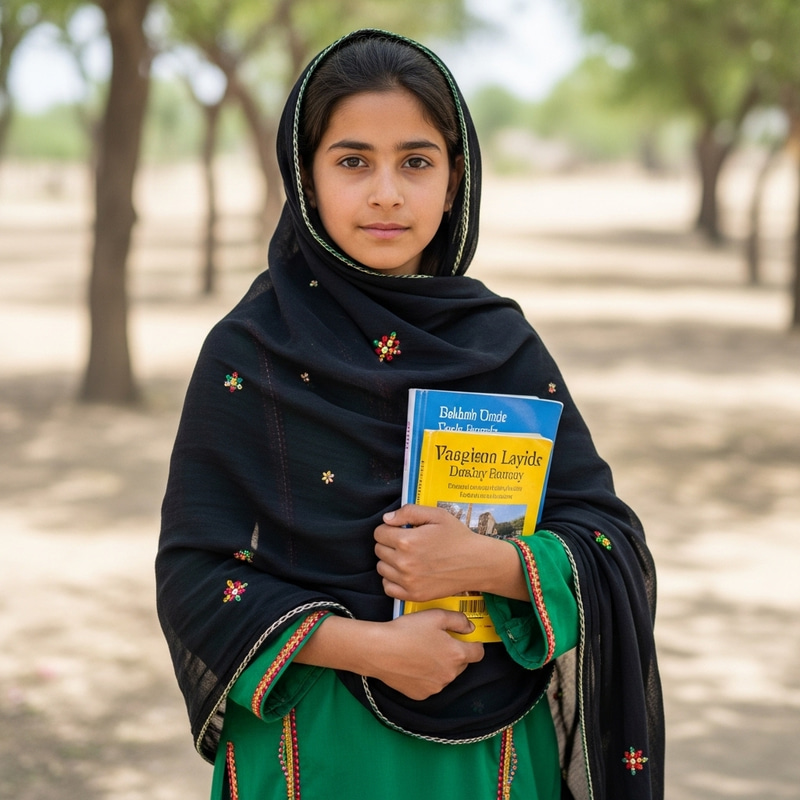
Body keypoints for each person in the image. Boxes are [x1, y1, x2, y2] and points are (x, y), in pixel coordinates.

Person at [156, 29, 664, 800]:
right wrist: (371, 647)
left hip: (489, 756)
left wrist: (491, 564)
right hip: (311, 749)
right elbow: (195, 575)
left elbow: (609, 541)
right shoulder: (249, 352)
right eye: (353, 161)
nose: (386, 191)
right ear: (306, 176)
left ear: (455, 180)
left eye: (416, 162)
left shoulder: (501, 346)